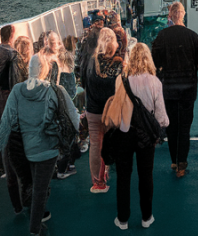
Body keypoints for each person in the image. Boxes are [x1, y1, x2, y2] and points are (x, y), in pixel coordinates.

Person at [0, 53, 79, 236]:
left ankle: (36, 219)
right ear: (45, 69)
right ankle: (35, 230)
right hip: (48, 150)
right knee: (41, 189)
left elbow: (6, 122)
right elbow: (74, 118)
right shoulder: (56, 90)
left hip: (26, 150)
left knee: (33, 186)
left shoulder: (17, 90)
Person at [105, 43, 169, 230]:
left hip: (125, 133)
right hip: (146, 136)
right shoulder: (155, 82)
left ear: (131, 58)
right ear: (148, 58)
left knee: (124, 177)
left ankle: (123, 219)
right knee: (146, 176)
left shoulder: (121, 80)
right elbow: (161, 117)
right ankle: (146, 217)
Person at [151, 1, 198, 177]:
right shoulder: (193, 36)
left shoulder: (162, 36)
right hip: (188, 87)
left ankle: (174, 161)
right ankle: (182, 163)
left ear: (171, 15)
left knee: (172, 124)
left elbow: (155, 62)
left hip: (169, 88)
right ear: (183, 14)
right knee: (185, 126)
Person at [84, 27, 123, 192]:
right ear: (113, 43)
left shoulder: (90, 61)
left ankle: (97, 182)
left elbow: (84, 83)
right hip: (111, 112)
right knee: (112, 141)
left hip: (93, 111)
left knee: (95, 145)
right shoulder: (118, 63)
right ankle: (108, 168)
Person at [42, 30, 80, 178]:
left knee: (62, 133)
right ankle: (65, 164)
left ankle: (63, 164)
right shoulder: (59, 58)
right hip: (61, 99)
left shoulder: (53, 58)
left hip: (60, 99)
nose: (54, 45)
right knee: (65, 132)